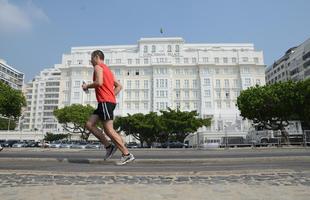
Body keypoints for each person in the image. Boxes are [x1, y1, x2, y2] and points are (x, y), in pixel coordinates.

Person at [83, 50, 135, 166]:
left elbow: (99, 82)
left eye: (91, 58)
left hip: (105, 102)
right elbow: (119, 86)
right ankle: (109, 146)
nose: (91, 61)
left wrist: (87, 86)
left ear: (96, 57)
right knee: (89, 124)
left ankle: (126, 154)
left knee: (109, 130)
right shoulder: (108, 70)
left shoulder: (98, 67)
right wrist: (111, 95)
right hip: (104, 102)